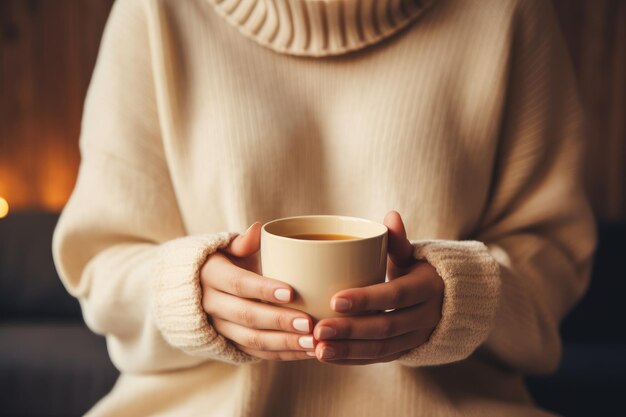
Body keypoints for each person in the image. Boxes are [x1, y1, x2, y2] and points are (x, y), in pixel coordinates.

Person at [52, 0, 596, 415]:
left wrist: (463, 297)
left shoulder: (509, 14)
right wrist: (188, 292)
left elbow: (554, 260)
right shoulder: (155, 13)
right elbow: (100, 264)